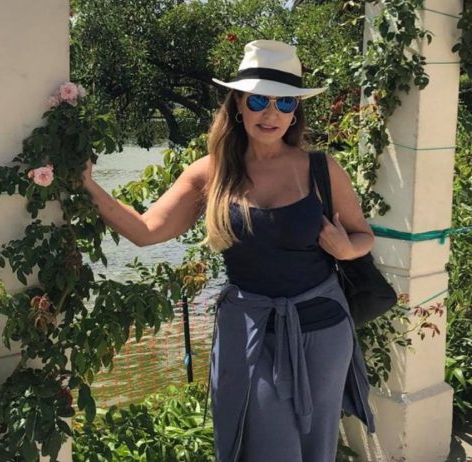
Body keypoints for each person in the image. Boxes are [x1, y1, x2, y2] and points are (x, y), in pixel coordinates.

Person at [82, 39, 376, 462]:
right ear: (238, 104)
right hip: (247, 329)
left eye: (284, 102)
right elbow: (146, 231)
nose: (271, 114)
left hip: (323, 330)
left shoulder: (321, 169)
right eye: (258, 100)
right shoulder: (211, 172)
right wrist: (88, 186)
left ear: (296, 110)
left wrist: (346, 250)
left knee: (316, 445)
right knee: (263, 446)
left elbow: (363, 236)